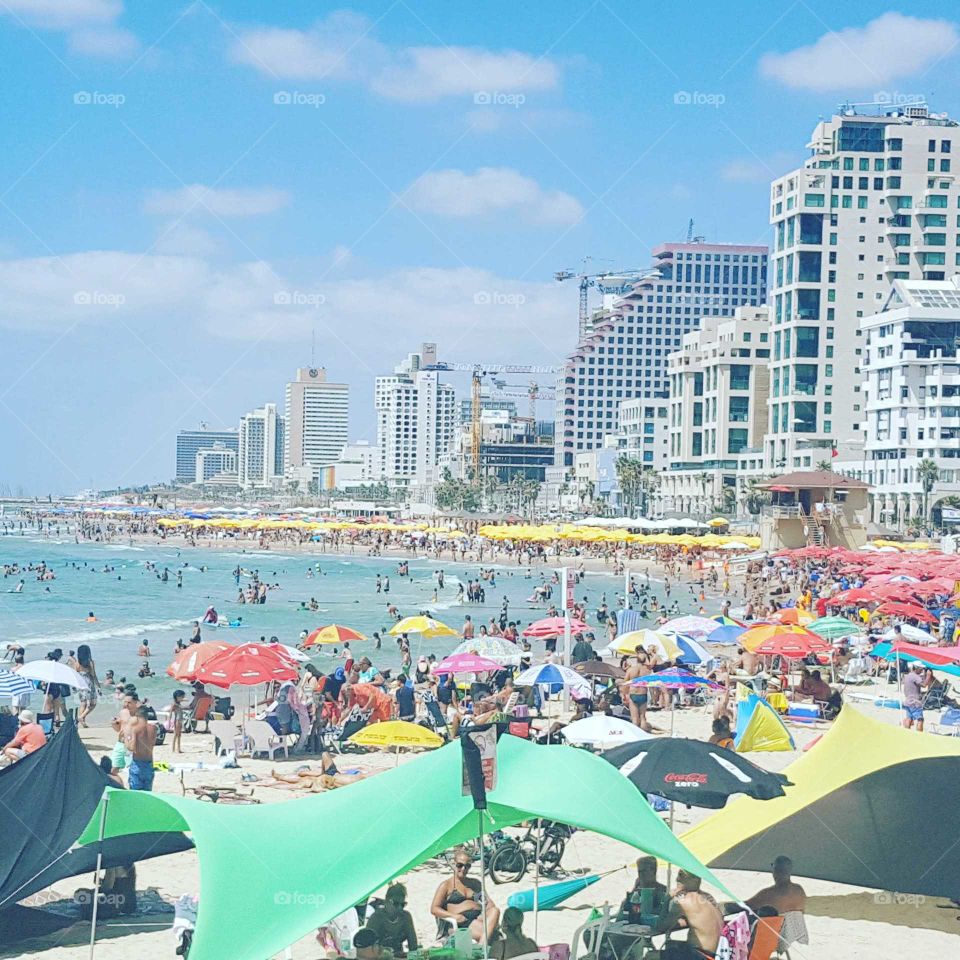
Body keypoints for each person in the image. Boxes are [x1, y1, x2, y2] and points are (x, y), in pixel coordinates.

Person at [651, 869, 724, 959]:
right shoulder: (708, 898)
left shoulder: (683, 901)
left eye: (681, 875)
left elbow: (661, 927)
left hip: (698, 956)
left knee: (651, 956)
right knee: (672, 945)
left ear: (695, 879)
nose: (677, 879)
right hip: (714, 954)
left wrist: (667, 899)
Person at [431, 847, 500, 943]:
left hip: (477, 918)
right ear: (453, 864)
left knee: (495, 911)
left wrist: (491, 916)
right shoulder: (446, 885)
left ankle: (481, 947)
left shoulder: (475, 883)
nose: (463, 869)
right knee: (494, 936)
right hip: (460, 923)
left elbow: (488, 903)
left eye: (467, 866)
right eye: (460, 865)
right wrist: (454, 916)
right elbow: (434, 909)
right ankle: (482, 949)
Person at [364, 883, 418, 955]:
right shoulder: (376, 918)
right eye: (395, 904)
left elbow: (413, 946)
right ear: (386, 901)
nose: (399, 908)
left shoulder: (405, 917)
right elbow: (367, 947)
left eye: (403, 904)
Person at [618, 856, 669, 922]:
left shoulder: (662, 890)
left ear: (653, 871)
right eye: (639, 872)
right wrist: (634, 889)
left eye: (644, 871)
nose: (641, 875)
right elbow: (627, 907)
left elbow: (660, 911)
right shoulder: (638, 888)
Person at [123, 705, 157, 791]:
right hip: (149, 763)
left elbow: (132, 748)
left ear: (137, 716)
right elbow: (152, 743)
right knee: (147, 793)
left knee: (135, 793)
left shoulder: (136, 729)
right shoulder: (153, 728)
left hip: (138, 763)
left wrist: (126, 741)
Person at [74, 643, 102, 727]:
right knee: (93, 704)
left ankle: (82, 721)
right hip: (88, 684)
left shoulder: (76, 663)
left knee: (83, 703)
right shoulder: (90, 662)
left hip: (80, 684)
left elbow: (75, 674)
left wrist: (75, 687)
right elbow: (93, 675)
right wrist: (98, 686)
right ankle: (81, 717)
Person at [902, 661, 925, 732]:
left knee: (909, 718)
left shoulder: (908, 676)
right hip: (915, 702)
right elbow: (924, 685)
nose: (922, 670)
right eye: (921, 669)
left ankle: (906, 734)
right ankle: (920, 736)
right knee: (920, 719)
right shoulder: (915, 676)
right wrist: (929, 675)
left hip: (907, 701)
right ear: (916, 668)